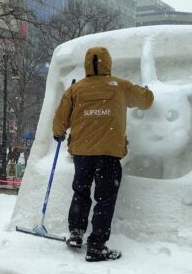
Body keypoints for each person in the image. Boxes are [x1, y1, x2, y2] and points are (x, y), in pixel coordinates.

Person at [52, 46, 154, 262]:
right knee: (105, 198)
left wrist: (58, 133)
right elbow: (146, 101)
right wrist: (146, 90)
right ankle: (97, 245)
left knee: (81, 191)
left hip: (81, 152)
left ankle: (76, 233)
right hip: (109, 153)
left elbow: (61, 117)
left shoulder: (76, 89)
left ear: (87, 64)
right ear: (108, 63)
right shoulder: (120, 86)